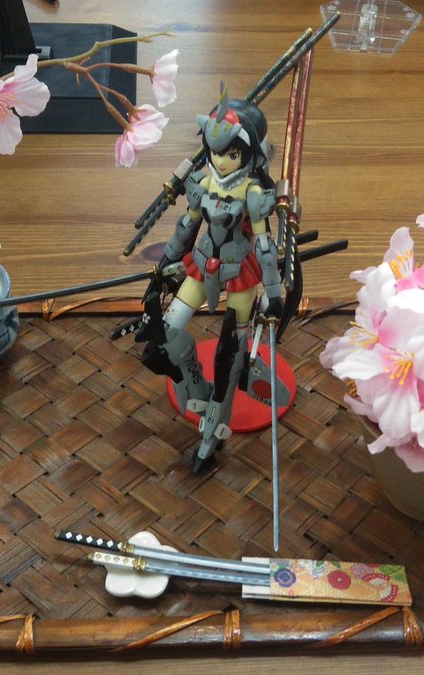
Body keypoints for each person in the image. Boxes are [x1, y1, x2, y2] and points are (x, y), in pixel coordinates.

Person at [137, 94, 285, 473]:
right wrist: (165, 264)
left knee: (230, 355)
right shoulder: (201, 182)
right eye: (216, 152)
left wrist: (273, 293)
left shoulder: (253, 193)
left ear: (247, 154)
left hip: (240, 272)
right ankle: (196, 386)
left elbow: (265, 245)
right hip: (202, 264)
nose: (221, 161)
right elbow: (186, 227)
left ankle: (214, 429)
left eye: (231, 154)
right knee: (165, 332)